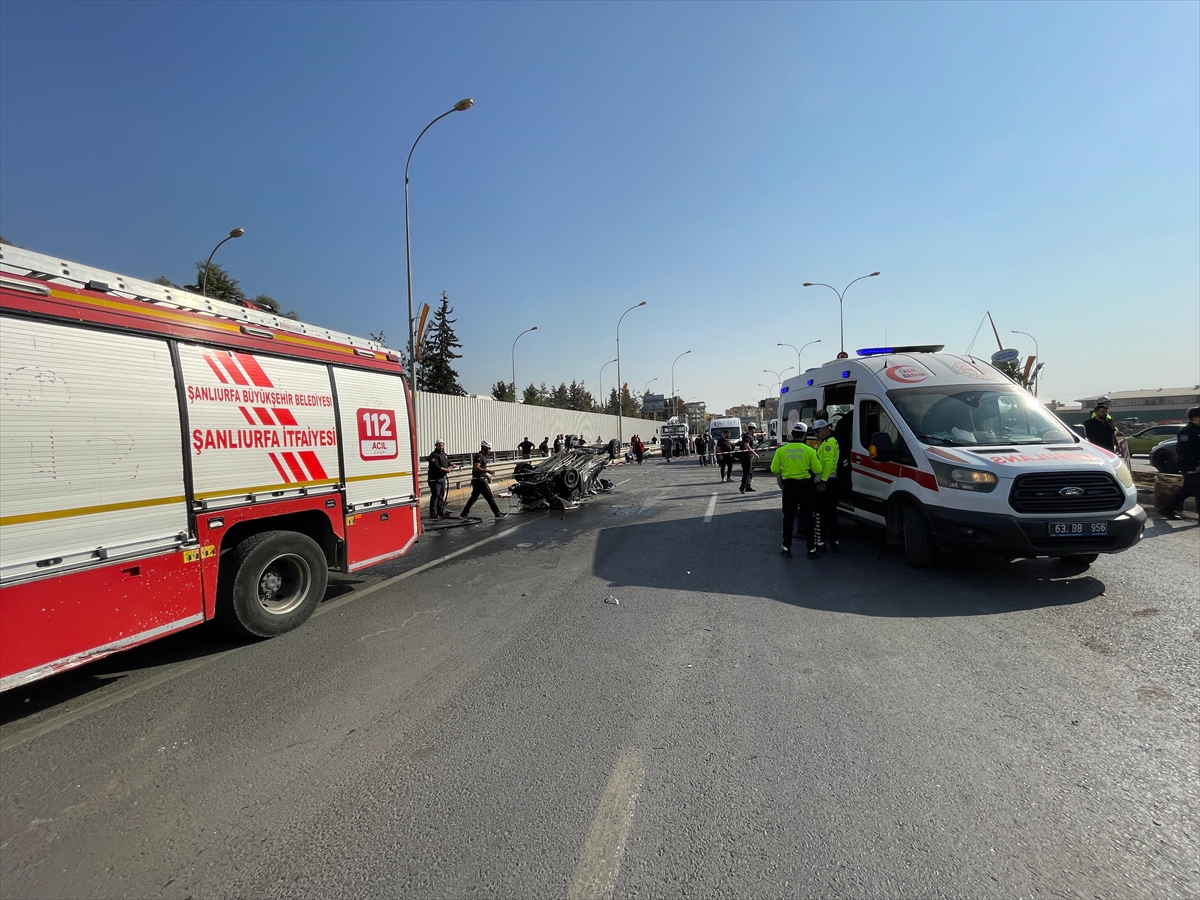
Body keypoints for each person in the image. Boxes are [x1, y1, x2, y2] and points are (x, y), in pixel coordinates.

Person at [771, 422, 821, 558]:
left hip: (789, 487)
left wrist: (785, 471)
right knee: (807, 518)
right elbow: (818, 470)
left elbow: (774, 469)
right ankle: (811, 550)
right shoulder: (810, 451)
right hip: (805, 487)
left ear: (791, 434)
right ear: (804, 435)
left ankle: (786, 548)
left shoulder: (781, 450)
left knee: (788, 518)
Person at [1162, 407, 1200, 519]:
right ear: (1195, 418)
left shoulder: (1198, 430)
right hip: (1191, 466)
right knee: (1198, 490)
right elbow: (1184, 452)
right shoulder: (1186, 432)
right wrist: (1196, 465)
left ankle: (1166, 508)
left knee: (1188, 490)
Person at [811, 419, 841, 552]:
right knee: (832, 514)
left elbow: (828, 463)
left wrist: (823, 482)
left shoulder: (828, 444)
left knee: (820, 515)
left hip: (826, 482)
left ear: (825, 429)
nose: (816, 435)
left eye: (817, 432)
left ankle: (821, 543)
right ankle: (835, 542)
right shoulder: (831, 441)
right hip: (831, 481)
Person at [460, 440, 508, 519]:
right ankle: (497, 513)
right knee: (489, 496)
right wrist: (488, 471)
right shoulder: (479, 456)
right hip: (479, 481)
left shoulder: (483, 457)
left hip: (479, 479)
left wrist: (486, 475)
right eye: (489, 449)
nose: (489, 451)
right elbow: (477, 468)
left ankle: (464, 513)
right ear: (484, 448)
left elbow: (480, 470)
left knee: (474, 497)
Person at [426, 439, 454, 519]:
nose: (441, 447)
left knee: (441, 495)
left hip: (442, 478)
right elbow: (435, 466)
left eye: (442, 445)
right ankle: (433, 512)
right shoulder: (434, 455)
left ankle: (440, 510)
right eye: (439, 445)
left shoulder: (444, 454)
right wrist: (446, 470)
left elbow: (447, 461)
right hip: (435, 479)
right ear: (436, 446)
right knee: (435, 495)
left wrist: (451, 465)